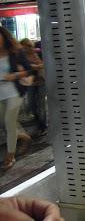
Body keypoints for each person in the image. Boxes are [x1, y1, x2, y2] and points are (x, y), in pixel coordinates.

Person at [0, 28, 34, 170]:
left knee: (9, 121)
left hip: (14, 92)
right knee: (4, 124)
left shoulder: (15, 51)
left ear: (4, 37)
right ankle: (22, 135)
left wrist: (15, 76)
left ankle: (10, 155)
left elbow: (30, 70)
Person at [20, 38, 47, 135]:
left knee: (41, 105)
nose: (26, 49)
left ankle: (43, 126)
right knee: (31, 105)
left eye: (27, 47)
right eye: (23, 48)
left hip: (41, 82)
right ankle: (38, 123)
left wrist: (33, 66)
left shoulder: (38, 53)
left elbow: (44, 64)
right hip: (30, 83)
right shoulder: (22, 56)